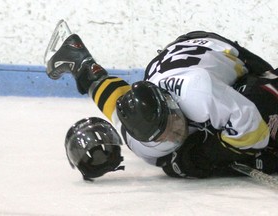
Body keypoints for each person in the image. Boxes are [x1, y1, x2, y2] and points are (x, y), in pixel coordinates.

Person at [45, 29, 278, 179]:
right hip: (161, 67)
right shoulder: (140, 142)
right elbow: (116, 105)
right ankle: (82, 64)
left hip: (212, 48)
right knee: (125, 105)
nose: (175, 135)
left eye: (173, 124)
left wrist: (211, 153)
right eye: (163, 137)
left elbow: (252, 129)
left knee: (265, 98)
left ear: (170, 102)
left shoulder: (198, 91)